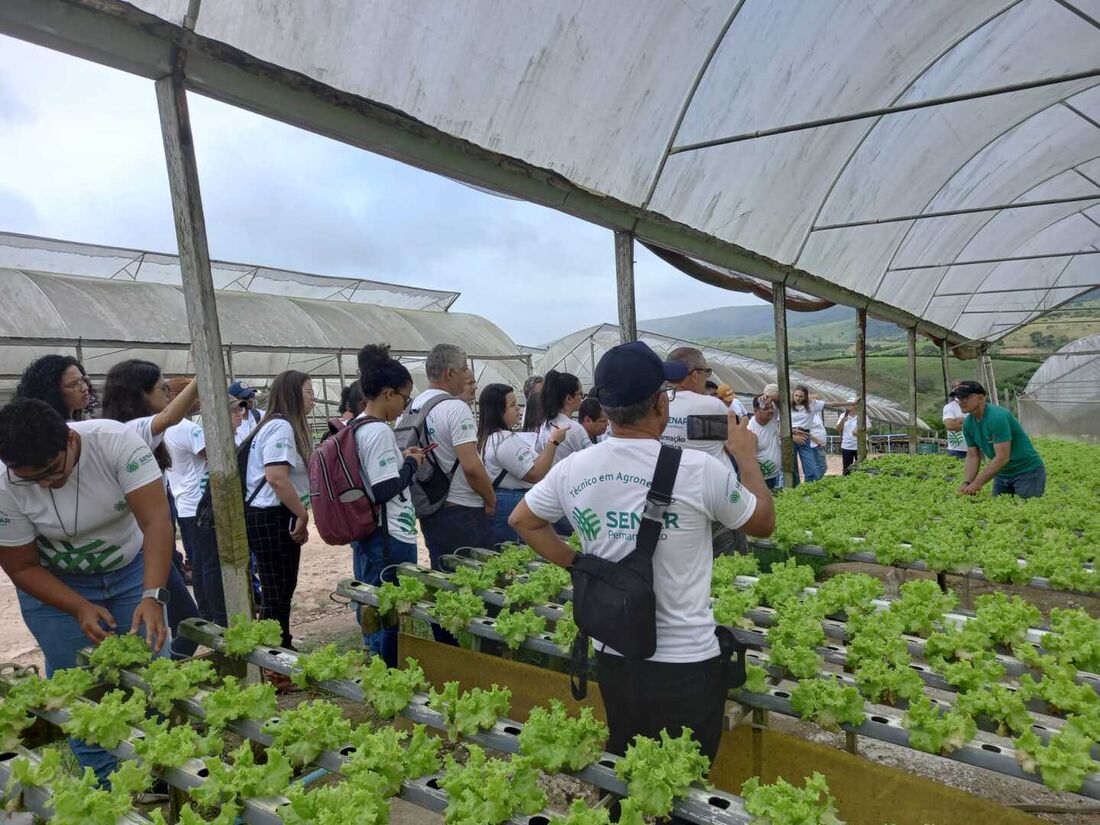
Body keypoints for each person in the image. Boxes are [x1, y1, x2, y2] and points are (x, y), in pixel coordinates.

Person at [509, 340, 774, 775]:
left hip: (615, 654)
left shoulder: (574, 468)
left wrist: (581, 563)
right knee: (684, 782)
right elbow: (762, 521)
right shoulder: (696, 469)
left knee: (629, 770)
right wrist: (746, 459)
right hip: (688, 662)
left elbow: (523, 521)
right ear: (658, 401)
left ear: (606, 408)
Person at [0, 398, 172, 783]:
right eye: (32, 478)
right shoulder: (4, 482)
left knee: (154, 670)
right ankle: (110, 785)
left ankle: (163, 771)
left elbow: (156, 521)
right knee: (77, 686)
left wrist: (152, 595)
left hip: (130, 571)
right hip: (56, 584)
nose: (44, 483)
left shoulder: (115, 441)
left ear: (71, 440)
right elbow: (20, 565)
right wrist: (78, 607)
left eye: (51, 470)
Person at [99, 360, 204, 654]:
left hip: (149, 547)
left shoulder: (131, 432)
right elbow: (170, 416)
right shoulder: (130, 431)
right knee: (182, 622)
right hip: (142, 551)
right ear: (140, 393)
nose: (168, 394)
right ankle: (163, 675)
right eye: (163, 388)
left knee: (180, 622)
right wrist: (202, 376)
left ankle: (166, 673)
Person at [352, 344, 426, 666]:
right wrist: (411, 466)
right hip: (390, 535)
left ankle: (379, 664)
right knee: (391, 608)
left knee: (377, 602)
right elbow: (384, 489)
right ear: (387, 393)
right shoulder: (379, 432)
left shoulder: (356, 424)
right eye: (404, 398)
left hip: (374, 534)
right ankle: (390, 671)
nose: (404, 406)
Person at [241, 370, 315, 649]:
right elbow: (276, 477)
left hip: (267, 515)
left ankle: (278, 648)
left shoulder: (270, 424)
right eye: (309, 392)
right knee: (277, 592)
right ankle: (276, 655)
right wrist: (302, 513)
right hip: (272, 516)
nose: (314, 399)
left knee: (278, 590)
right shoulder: (282, 427)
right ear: (293, 394)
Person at [412, 344, 497, 583]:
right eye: (463, 369)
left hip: (431, 507)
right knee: (473, 582)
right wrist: (490, 498)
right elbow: (471, 466)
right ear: (450, 373)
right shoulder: (454, 408)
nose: (467, 375)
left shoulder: (414, 407)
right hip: (462, 510)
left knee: (443, 577)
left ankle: (444, 621)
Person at [161, 393, 245, 629]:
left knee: (199, 562)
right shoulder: (186, 428)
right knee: (212, 562)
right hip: (201, 504)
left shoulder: (167, 429)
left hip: (185, 504)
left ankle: (206, 613)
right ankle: (220, 617)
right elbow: (218, 454)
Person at [661, 347, 746, 556]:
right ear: (695, 374)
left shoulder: (659, 406)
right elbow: (731, 445)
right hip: (715, 494)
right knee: (728, 556)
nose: (706, 377)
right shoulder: (712, 407)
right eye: (706, 372)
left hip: (674, 495)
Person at [477, 383, 565, 546]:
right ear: (498, 411)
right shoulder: (503, 440)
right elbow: (534, 473)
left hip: (501, 501)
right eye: (512, 405)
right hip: (512, 503)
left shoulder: (486, 438)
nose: (518, 408)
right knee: (519, 552)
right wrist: (554, 442)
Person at [955, 381, 1046, 499]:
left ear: (980, 398)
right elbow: (973, 456)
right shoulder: (968, 423)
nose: (961, 401)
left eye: (965, 397)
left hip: (1027, 472)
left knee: (1026, 512)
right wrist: (967, 482)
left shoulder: (997, 417)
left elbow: (1002, 457)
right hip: (1002, 473)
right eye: (959, 398)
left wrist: (977, 483)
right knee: (1001, 512)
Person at [790, 385, 845, 482]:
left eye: (801, 396)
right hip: (811, 443)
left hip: (810, 442)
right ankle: (804, 486)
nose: (798, 398)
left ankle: (811, 484)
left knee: (813, 468)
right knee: (794, 468)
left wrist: (848, 403)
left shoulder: (813, 410)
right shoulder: (800, 410)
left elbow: (830, 404)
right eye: (796, 395)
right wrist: (815, 440)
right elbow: (803, 429)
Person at [533, 370, 591, 462]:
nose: (582, 397)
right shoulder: (573, 428)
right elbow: (591, 458)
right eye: (580, 394)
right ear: (569, 398)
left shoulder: (545, 425)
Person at [16, 354, 94, 421]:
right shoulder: (51, 431)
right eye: (73, 384)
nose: (85, 388)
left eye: (83, 380)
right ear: (53, 393)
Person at [747, 395, 782, 489]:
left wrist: (769, 396)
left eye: (771, 407)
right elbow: (749, 457)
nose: (770, 410)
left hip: (776, 475)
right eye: (766, 408)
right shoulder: (751, 429)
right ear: (755, 411)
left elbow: (782, 400)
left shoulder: (772, 418)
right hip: (761, 479)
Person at [836, 399, 871, 475]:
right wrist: (842, 421)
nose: (848, 405)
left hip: (860, 446)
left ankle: (860, 483)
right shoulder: (843, 415)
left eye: (851, 404)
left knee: (861, 468)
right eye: (848, 404)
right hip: (847, 446)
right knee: (847, 468)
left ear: (856, 406)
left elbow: (868, 428)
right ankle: (846, 483)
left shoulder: (863, 416)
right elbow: (837, 428)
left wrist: (859, 432)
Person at [942, 381, 967, 458]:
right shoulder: (949, 407)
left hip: (976, 448)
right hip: (956, 450)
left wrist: (960, 421)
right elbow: (950, 426)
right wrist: (970, 423)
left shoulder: (973, 406)